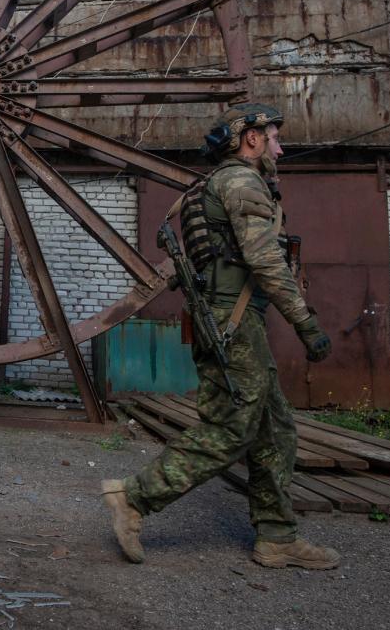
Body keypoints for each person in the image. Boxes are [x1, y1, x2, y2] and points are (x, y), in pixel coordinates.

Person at [101, 103, 338, 570]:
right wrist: (305, 323)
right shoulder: (241, 182)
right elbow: (264, 259)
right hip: (235, 321)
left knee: (275, 428)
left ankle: (277, 536)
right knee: (232, 426)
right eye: (272, 136)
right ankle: (134, 497)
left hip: (227, 318)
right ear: (249, 138)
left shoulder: (205, 187)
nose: (279, 146)